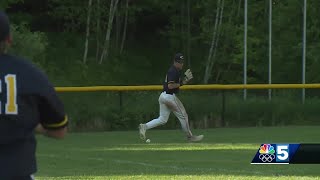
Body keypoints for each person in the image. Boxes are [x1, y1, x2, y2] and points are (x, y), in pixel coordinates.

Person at [0, 11, 68, 179]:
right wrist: (34, 125)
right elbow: (59, 130)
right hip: (16, 173)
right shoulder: (29, 74)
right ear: (9, 39)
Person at [139, 53, 203, 142]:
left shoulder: (174, 70)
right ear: (175, 62)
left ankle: (145, 126)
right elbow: (171, 86)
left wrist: (184, 80)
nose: (181, 64)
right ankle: (190, 137)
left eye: (182, 62)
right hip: (169, 97)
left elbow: (177, 84)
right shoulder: (173, 71)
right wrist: (182, 82)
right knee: (183, 115)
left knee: (162, 119)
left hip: (163, 96)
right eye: (179, 62)